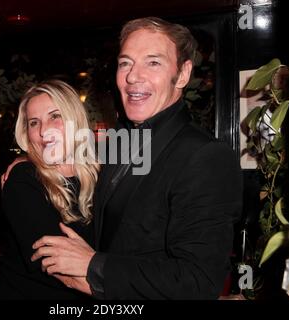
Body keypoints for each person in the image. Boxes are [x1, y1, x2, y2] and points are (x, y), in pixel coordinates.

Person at [30, 17, 243, 299]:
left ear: (182, 74)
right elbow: (74, 158)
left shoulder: (205, 156)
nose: (132, 76)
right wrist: (30, 160)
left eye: (153, 62)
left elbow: (199, 281)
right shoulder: (121, 139)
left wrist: (93, 266)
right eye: (125, 63)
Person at [0, 80, 100, 299]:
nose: (43, 131)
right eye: (33, 122)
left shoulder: (102, 175)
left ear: (74, 120)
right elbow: (60, 268)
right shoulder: (23, 180)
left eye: (54, 116)